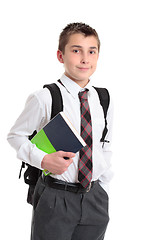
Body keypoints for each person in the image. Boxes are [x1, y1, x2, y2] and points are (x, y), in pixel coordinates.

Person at [7, 22, 113, 240]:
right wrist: (43, 160)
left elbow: (105, 143)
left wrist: (103, 188)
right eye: (76, 50)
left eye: (91, 51)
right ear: (60, 55)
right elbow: (16, 136)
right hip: (56, 196)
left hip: (95, 198)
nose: (85, 58)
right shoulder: (45, 97)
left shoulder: (103, 98)